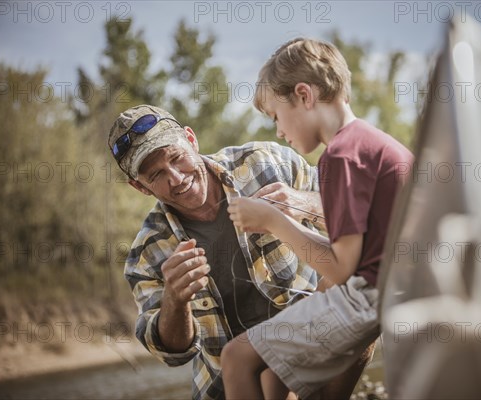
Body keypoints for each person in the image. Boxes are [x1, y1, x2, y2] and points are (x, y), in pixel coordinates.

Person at [108, 104, 370, 400]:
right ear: (139, 187)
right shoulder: (147, 253)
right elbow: (172, 353)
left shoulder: (265, 163)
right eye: (156, 175)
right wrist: (175, 300)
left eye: (177, 158)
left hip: (309, 347)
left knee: (359, 287)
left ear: (191, 140)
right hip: (227, 385)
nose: (176, 178)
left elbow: (358, 215)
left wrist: (305, 203)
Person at [222, 38, 414, 399]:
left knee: (237, 359)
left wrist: (272, 221)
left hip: (368, 298)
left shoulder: (341, 156)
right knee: (272, 377)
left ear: (304, 96)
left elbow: (342, 268)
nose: (278, 132)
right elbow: (358, 255)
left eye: (277, 116)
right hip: (395, 288)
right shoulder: (375, 143)